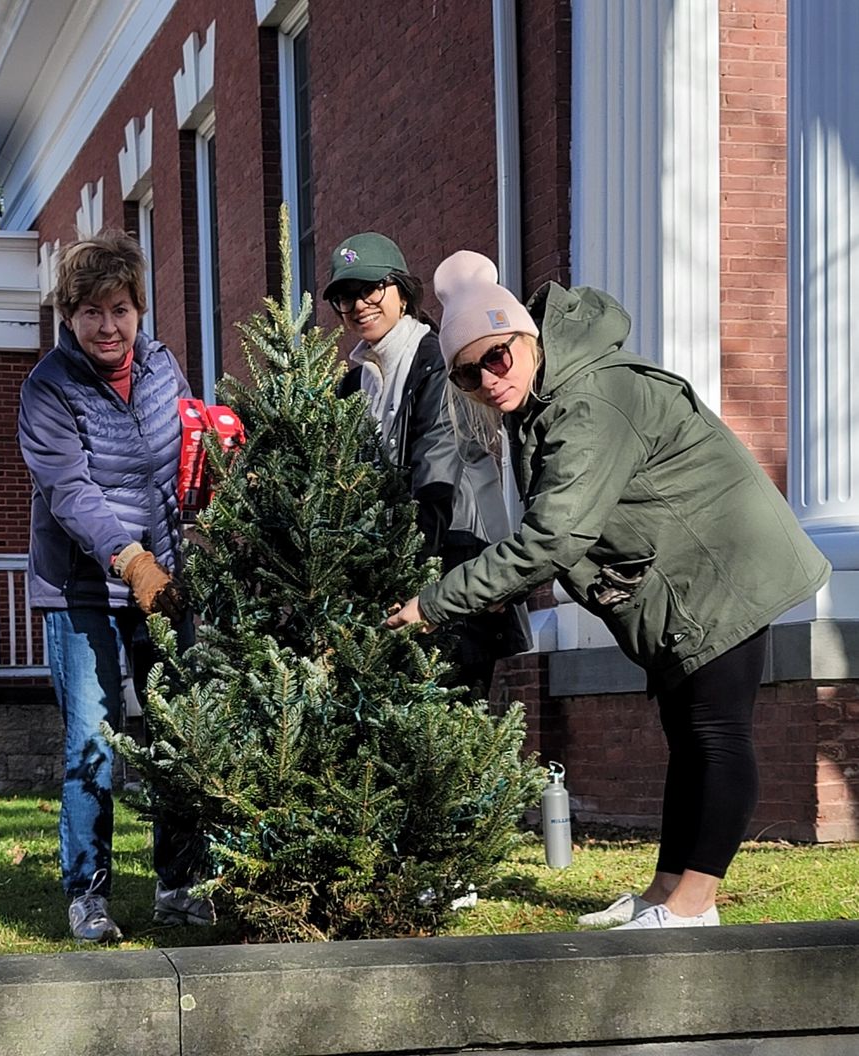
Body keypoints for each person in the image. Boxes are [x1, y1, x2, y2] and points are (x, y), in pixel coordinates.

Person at [386, 250, 831, 929]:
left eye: (497, 357)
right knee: (689, 734)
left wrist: (438, 600)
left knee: (715, 734)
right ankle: (665, 892)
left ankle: (693, 907)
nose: (489, 380)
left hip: (724, 567)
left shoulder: (588, 400)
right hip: (685, 578)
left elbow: (554, 536)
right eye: (468, 373)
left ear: (525, 338)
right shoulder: (544, 396)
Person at [18, 230, 214, 942]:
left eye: (121, 309)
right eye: (92, 312)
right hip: (82, 590)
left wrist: (213, 479)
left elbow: (187, 451)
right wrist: (132, 562)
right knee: (93, 742)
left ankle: (179, 884)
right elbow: (71, 493)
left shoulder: (163, 368)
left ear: (139, 310)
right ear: (70, 316)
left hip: (166, 582)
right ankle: (88, 894)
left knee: (177, 733)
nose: (109, 326)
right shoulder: (48, 388)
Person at [323, 232, 527, 698]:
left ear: (402, 291)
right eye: (345, 296)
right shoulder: (354, 384)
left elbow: (435, 480)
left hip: (456, 564)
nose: (358, 305)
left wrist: (405, 578)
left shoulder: (439, 361)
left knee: (454, 724)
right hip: (395, 576)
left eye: (371, 289)